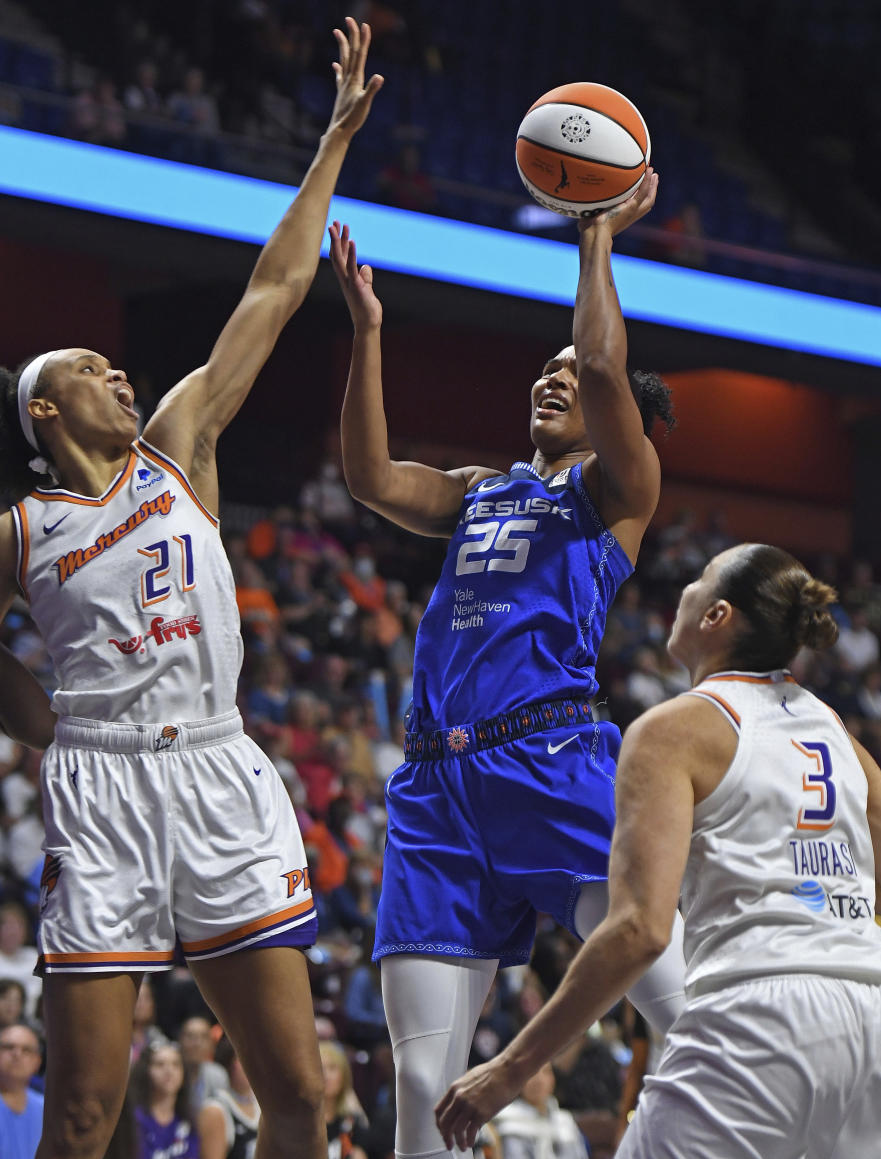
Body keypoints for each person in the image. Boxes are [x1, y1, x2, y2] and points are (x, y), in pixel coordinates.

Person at [0, 18, 382, 1159]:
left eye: (113, 365)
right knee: (82, 1112)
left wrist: (330, 143)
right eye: (88, 371)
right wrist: (45, 727)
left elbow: (272, 290)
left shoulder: (177, 444)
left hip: (217, 765)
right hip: (101, 784)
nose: (116, 372)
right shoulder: (21, 529)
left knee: (303, 1093)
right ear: (44, 413)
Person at [329, 168, 687, 1159]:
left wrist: (597, 236)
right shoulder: (481, 489)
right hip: (437, 789)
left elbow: (613, 373)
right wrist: (367, 331)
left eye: (571, 372)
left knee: (687, 1012)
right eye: (546, 367)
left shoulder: (618, 492)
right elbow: (369, 477)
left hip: (552, 767)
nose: (556, 376)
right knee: (420, 1096)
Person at [436, 544, 881, 1159]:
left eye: (699, 579)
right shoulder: (835, 730)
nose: (684, 590)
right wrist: (804, 871)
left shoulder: (671, 729)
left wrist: (509, 1069)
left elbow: (638, 931)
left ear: (716, 616)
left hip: (760, 1015)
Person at [493, 1063, 586, 1159]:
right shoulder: (508, 1122)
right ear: (518, 1081)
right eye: (531, 1074)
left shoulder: (565, 1121)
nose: (538, 1080)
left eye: (545, 1072)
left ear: (553, 1079)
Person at [129, 1040, 199, 1159]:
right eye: (160, 1064)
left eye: (176, 1064)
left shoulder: (190, 1121)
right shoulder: (134, 1119)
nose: (169, 1071)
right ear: (145, 1070)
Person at [196, 1036, 260, 1159]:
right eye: (245, 1059)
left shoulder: (263, 1104)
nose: (255, 1064)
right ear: (228, 1064)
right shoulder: (215, 1110)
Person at [0, 1022, 44, 1159]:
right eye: (8, 1047)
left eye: (26, 1050)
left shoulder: (47, 1109)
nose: (16, 1054)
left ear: (37, 1062)